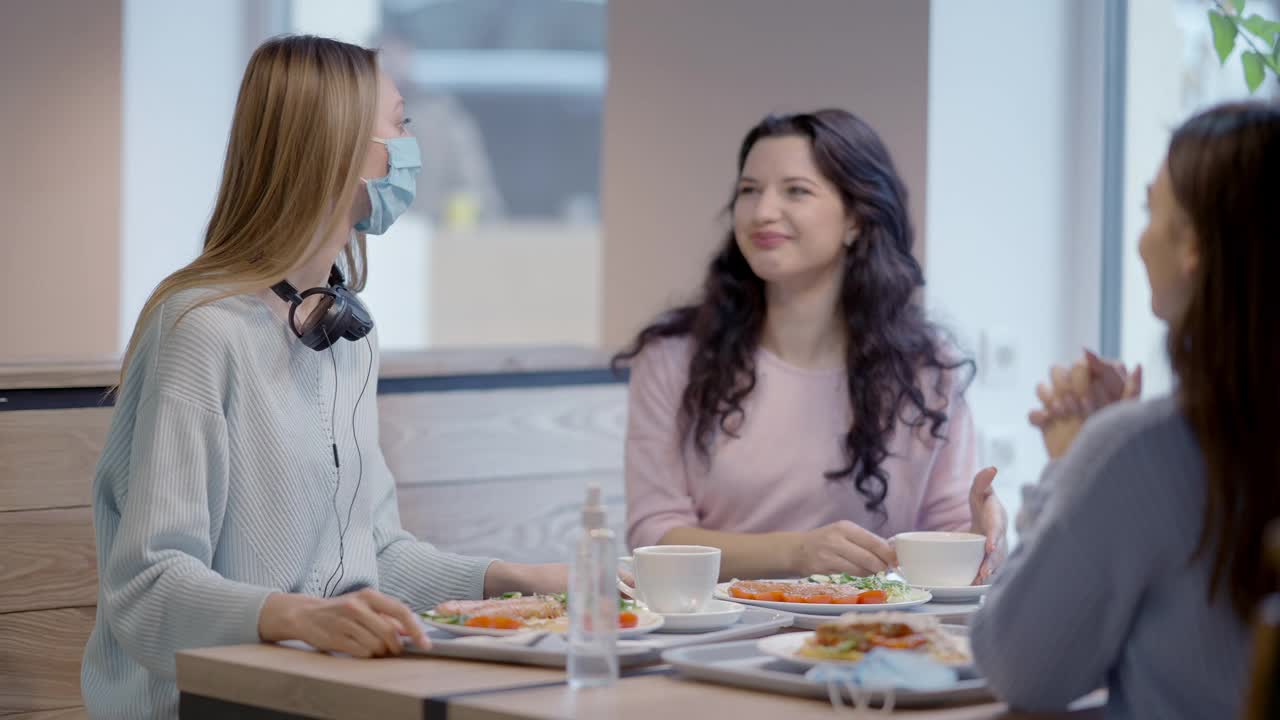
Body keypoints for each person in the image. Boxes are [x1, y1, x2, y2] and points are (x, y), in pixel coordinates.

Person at [81, 36, 563, 718]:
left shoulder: (344, 333)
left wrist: (517, 581)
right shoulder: (201, 330)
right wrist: (294, 616)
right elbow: (149, 586)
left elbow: (375, 556)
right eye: (400, 123)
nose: (411, 144)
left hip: (312, 694)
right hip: (199, 704)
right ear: (340, 149)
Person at [971, 101, 1280, 719]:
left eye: (1149, 210)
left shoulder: (1142, 449)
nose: (1140, 238)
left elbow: (1018, 665)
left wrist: (1073, 461)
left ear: (1191, 245)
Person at [615, 109, 1006, 582]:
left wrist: (984, 534)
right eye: (749, 190)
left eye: (796, 190)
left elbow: (946, 527)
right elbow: (654, 534)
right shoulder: (673, 358)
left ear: (856, 219)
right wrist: (794, 553)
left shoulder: (929, 368)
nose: (762, 212)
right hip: (711, 630)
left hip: (873, 636)